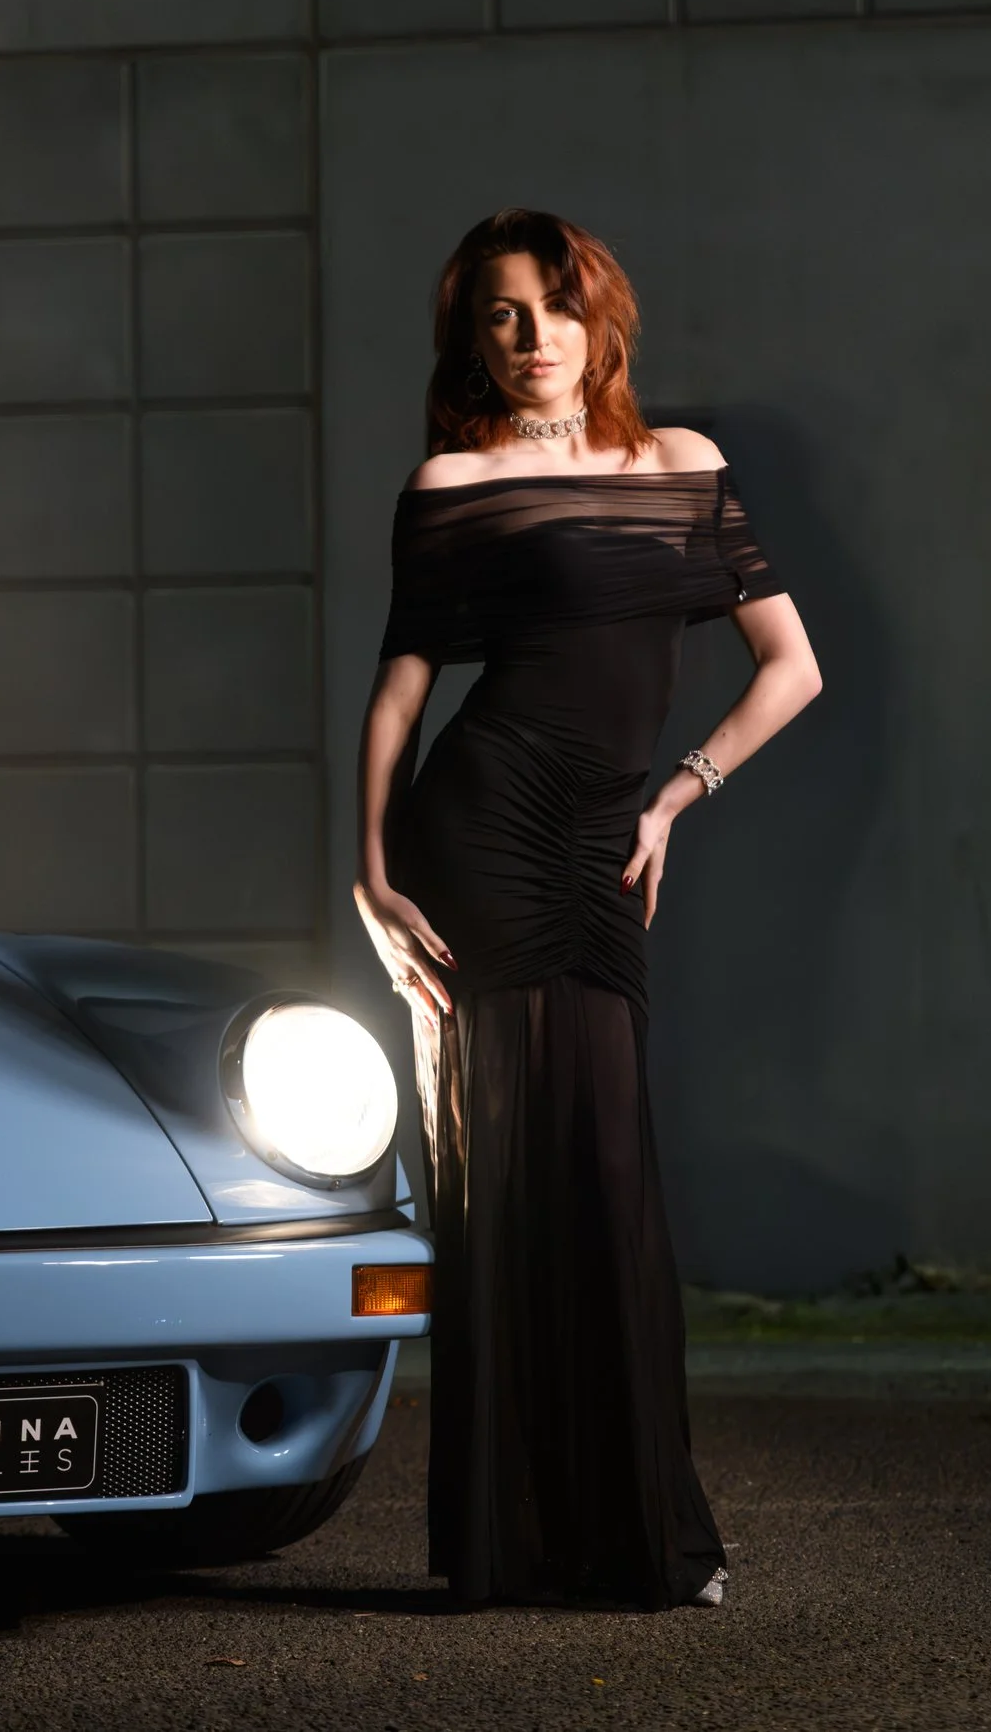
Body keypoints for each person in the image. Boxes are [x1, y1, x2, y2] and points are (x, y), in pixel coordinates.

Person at [352, 208, 823, 1611]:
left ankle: (638, 1533)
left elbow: (791, 668)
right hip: (481, 829)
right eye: (501, 313)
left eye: (554, 307)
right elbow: (400, 692)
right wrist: (370, 870)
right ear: (473, 339)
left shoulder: (686, 467)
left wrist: (677, 792)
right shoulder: (451, 481)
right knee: (503, 1175)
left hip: (607, 836)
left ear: (600, 319)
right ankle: (511, 1545)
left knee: (608, 1169)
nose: (532, 335)